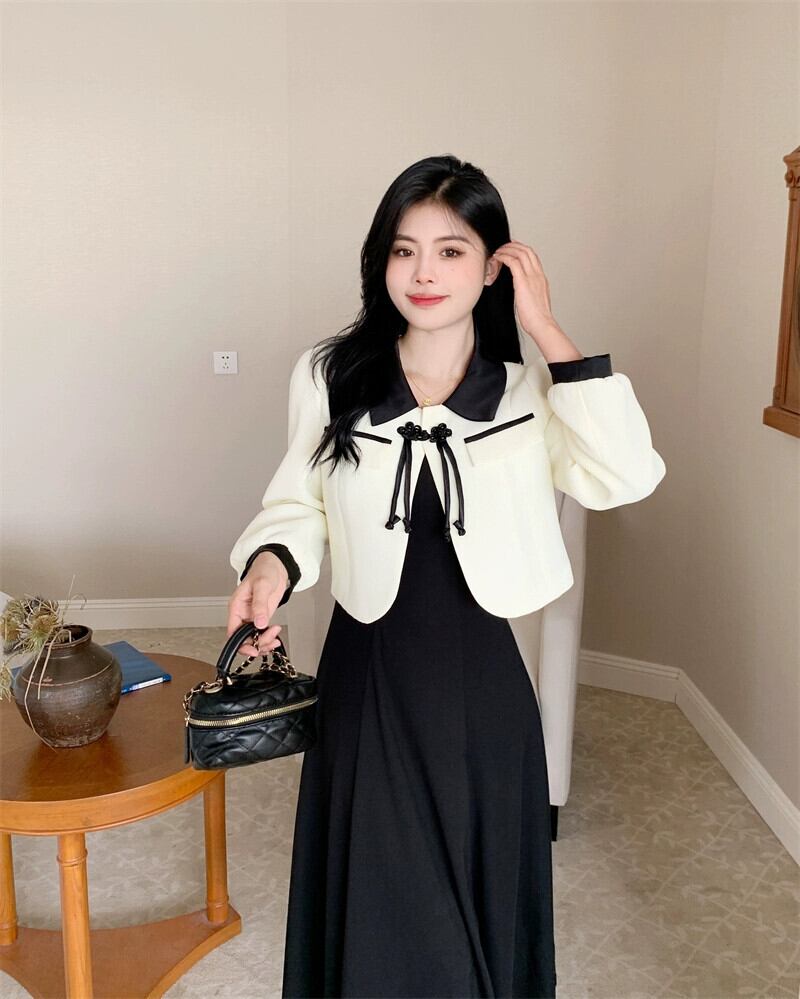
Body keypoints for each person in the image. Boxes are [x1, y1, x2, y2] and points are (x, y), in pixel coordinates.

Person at [226, 154, 667, 999]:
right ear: (380, 261)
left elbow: (626, 476)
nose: (423, 273)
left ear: (495, 264)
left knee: (474, 893)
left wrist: (547, 329)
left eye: (451, 250)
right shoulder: (328, 375)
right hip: (368, 673)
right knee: (381, 892)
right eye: (404, 250)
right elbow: (296, 503)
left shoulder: (532, 390)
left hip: (484, 686)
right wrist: (270, 565)